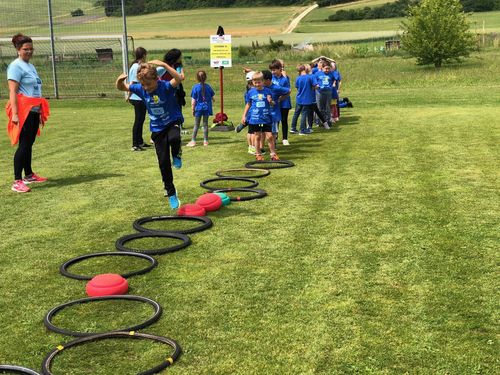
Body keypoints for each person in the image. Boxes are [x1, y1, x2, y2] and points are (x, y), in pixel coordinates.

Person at [116, 61, 183, 209]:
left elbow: (178, 79)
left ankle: (177, 154)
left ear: (156, 79)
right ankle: (171, 192)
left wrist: (165, 66)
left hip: (172, 121)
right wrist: (120, 80)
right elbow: (122, 87)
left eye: (149, 85)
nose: (147, 88)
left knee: (174, 138)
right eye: (144, 85)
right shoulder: (141, 89)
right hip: (157, 129)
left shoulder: (165, 86)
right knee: (163, 163)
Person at [7, 33, 50, 193]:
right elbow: (13, 92)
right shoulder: (15, 66)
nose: (29, 51)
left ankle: (29, 175)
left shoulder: (30, 66)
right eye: (26, 49)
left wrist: (38, 109)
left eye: (31, 49)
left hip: (33, 111)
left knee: (29, 143)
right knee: (24, 145)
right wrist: (16, 114)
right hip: (23, 112)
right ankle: (17, 181)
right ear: (18, 49)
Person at [241, 72, 279, 161]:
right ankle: (258, 154)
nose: (257, 84)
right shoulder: (250, 92)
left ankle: (273, 154)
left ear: (263, 81)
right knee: (257, 136)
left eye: (259, 82)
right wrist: (244, 116)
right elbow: (248, 104)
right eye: (255, 82)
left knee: (269, 136)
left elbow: (273, 103)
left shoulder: (268, 91)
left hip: (266, 118)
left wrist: (270, 102)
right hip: (255, 119)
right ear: (252, 82)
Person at [128, 47, 151, 151]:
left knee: (141, 120)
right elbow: (132, 83)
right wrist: (128, 95)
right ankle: (135, 144)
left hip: (139, 97)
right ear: (143, 55)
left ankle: (140, 142)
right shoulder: (137, 66)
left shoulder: (135, 65)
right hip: (137, 98)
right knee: (138, 120)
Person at [262, 70, 290, 150]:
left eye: (262, 80)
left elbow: (288, 90)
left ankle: (273, 147)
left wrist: (281, 99)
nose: (261, 82)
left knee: (273, 132)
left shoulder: (276, 88)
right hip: (263, 115)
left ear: (268, 80)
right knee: (262, 131)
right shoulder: (262, 88)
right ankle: (261, 147)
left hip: (273, 114)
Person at [187, 70, 215, 147]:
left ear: (197, 78)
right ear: (205, 77)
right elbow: (213, 97)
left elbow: (193, 101)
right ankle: (205, 141)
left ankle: (193, 141)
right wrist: (211, 100)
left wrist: (193, 109)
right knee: (205, 125)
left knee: (196, 125)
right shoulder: (208, 87)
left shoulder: (195, 87)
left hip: (198, 108)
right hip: (206, 108)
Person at [269, 59, 292, 146]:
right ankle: (275, 137)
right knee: (275, 120)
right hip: (274, 103)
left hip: (284, 102)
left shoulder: (285, 79)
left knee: (284, 120)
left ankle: (285, 139)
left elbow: (287, 91)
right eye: (272, 70)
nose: (273, 72)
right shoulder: (271, 77)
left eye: (274, 70)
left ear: (280, 69)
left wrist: (280, 99)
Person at [290, 64, 317, 135]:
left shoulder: (298, 78)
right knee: (304, 114)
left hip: (299, 98)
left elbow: (297, 87)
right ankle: (302, 130)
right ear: (305, 69)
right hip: (307, 99)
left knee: (296, 113)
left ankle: (293, 128)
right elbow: (315, 86)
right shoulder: (309, 77)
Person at [314, 60, 333, 129]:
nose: (327, 70)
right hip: (319, 92)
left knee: (327, 107)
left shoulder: (331, 73)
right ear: (322, 68)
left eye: (328, 68)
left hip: (328, 92)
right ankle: (318, 121)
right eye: (326, 68)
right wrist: (317, 86)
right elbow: (314, 82)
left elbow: (334, 80)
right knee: (319, 107)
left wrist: (331, 86)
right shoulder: (317, 74)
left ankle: (327, 121)